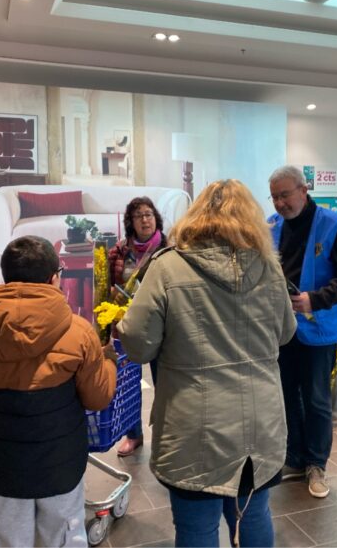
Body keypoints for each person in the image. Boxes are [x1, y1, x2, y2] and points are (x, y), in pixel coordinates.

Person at [118, 180, 296, 548]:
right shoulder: (269, 266)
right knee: (254, 514)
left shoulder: (168, 267)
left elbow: (137, 344)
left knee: (197, 529)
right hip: (259, 422)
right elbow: (285, 333)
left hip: (193, 427)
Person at [0, 236, 118, 548]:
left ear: (6, 278)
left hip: (4, 463)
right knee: (65, 536)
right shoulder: (80, 332)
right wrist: (108, 361)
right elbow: (98, 398)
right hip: (61, 462)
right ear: (54, 278)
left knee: (7, 538)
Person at [268, 166, 337, 499]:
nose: (280, 203)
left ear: (303, 190)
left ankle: (316, 464)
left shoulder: (334, 225)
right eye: (274, 197)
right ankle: (294, 457)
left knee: (317, 399)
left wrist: (315, 300)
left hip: (319, 328)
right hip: (282, 329)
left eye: (285, 195)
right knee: (286, 397)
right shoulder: (271, 226)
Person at [108, 197, 166, 457]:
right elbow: (108, 287)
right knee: (130, 384)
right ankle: (134, 435)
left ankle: (165, 435)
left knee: (165, 381)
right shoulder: (119, 251)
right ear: (130, 221)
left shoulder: (169, 248)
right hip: (128, 326)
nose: (145, 219)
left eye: (149, 214)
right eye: (139, 215)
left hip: (161, 326)